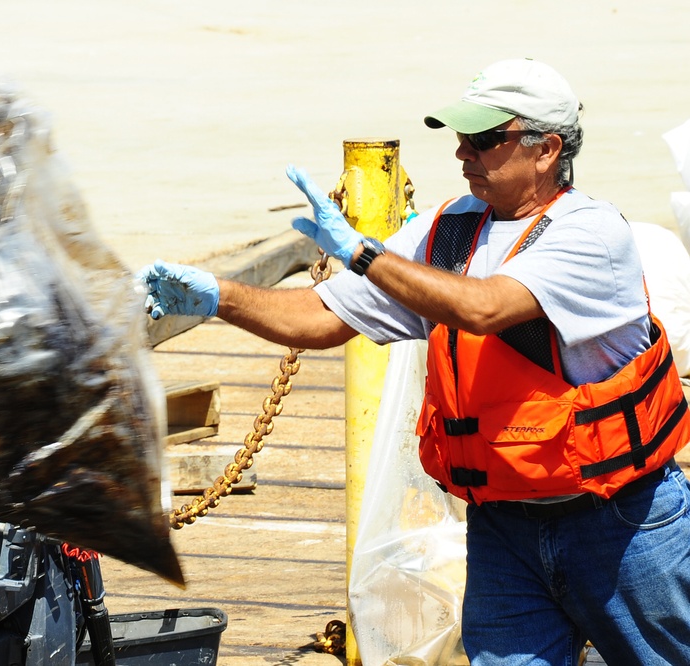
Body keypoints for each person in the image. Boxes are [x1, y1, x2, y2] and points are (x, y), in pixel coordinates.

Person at [137, 58, 690, 665]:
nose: (462, 152)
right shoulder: (448, 231)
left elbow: (484, 307)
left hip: (622, 526)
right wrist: (221, 296)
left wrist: (363, 253)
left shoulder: (589, 234)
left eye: (483, 139)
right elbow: (321, 318)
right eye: (459, 136)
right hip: (505, 526)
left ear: (545, 150)